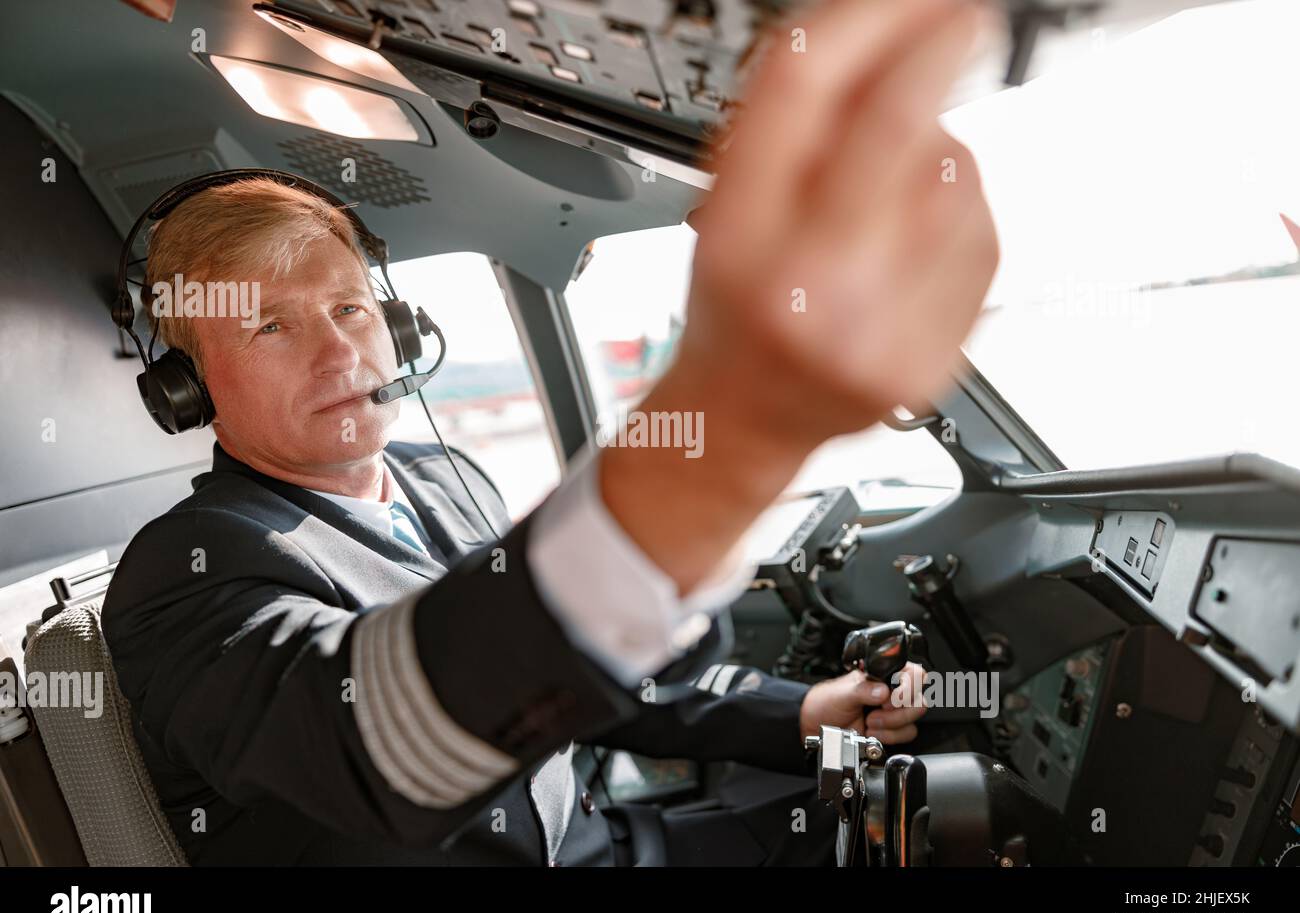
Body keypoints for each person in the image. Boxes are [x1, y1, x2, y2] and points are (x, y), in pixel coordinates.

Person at [101, 0, 997, 865]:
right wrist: (733, 437)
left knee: (930, 816)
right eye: (270, 325)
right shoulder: (179, 577)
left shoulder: (447, 481)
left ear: (400, 326)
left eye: (350, 307)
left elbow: (584, 675)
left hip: (600, 847)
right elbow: (373, 742)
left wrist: (802, 714)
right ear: (187, 387)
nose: (340, 352)